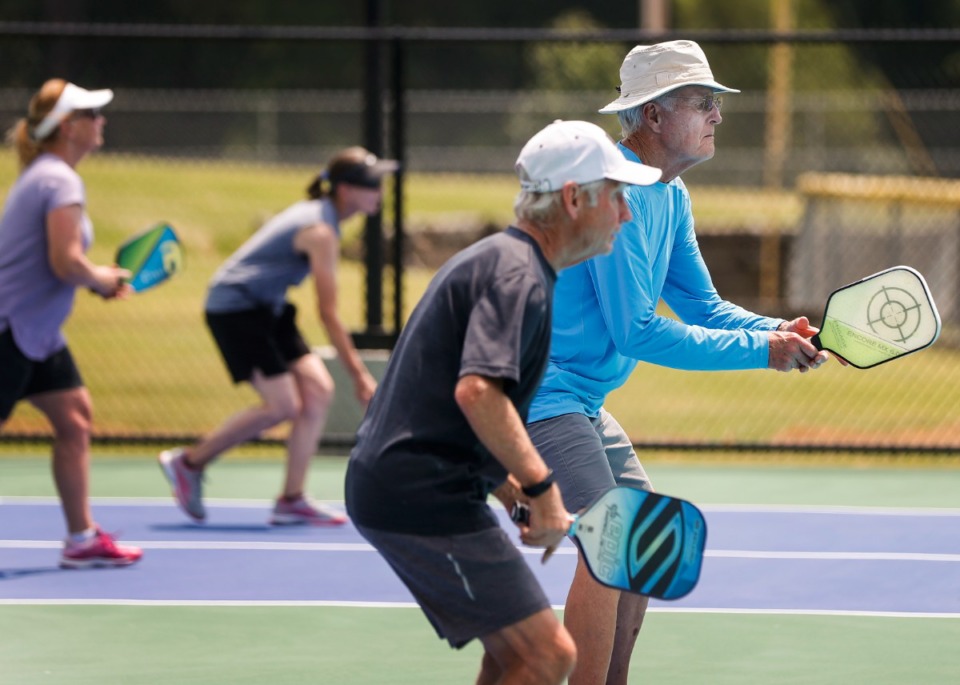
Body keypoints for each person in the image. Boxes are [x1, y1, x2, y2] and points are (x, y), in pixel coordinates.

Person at [525, 41, 834, 685]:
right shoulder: (617, 192)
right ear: (654, 116)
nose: (717, 114)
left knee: (637, 543)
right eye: (702, 102)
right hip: (542, 395)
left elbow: (703, 305)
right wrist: (762, 351)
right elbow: (637, 331)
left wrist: (778, 330)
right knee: (611, 539)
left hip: (584, 401)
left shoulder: (672, 194)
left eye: (715, 102)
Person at [345, 120, 661, 685]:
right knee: (547, 656)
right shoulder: (519, 277)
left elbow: (450, 397)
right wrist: (540, 490)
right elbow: (477, 392)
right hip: (419, 497)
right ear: (573, 199)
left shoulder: (512, 265)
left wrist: (511, 492)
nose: (627, 214)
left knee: (513, 655)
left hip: (430, 486)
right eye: (617, 196)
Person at [158, 146, 395, 525]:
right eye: (371, 183)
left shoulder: (326, 220)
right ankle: (188, 463)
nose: (379, 191)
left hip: (267, 306)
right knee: (282, 406)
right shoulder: (319, 230)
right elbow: (328, 313)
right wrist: (359, 375)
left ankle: (291, 498)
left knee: (317, 390)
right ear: (346, 191)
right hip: (235, 308)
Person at [0, 80, 143, 569]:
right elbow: (65, 262)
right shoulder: (59, 180)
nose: (101, 121)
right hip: (9, 328)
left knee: (75, 418)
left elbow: (61, 262)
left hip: (35, 332)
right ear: (68, 127)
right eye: (92, 114)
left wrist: (97, 278)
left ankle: (81, 538)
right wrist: (98, 277)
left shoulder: (48, 175)